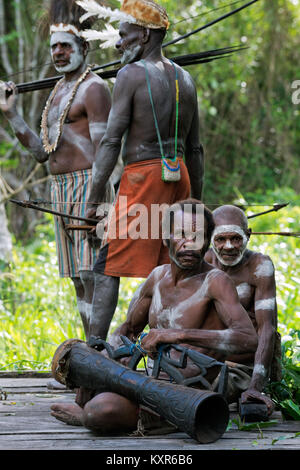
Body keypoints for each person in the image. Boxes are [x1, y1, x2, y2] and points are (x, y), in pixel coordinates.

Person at [50, 199, 258, 433]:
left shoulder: (215, 282)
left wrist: (176, 335)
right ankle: (94, 405)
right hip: (146, 382)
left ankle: (91, 416)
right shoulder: (157, 277)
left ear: (207, 241)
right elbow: (127, 330)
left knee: (101, 411)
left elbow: (247, 338)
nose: (189, 244)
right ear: (165, 237)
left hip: (189, 392)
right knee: (84, 367)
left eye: (197, 236)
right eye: (180, 234)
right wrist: (106, 364)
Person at [81, 0, 204, 341]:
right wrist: (194, 205)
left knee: (106, 267)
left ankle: (93, 352)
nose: (118, 44)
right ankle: (172, 350)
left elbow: (110, 142)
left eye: (124, 35)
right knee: (172, 265)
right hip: (179, 176)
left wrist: (93, 200)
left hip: (143, 179)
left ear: (145, 35)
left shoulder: (130, 74)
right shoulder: (186, 79)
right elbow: (195, 149)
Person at [0, 0, 121, 340]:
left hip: (89, 186)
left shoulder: (94, 87)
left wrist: (98, 201)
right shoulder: (57, 92)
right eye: (54, 47)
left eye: (65, 46)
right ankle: (90, 352)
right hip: (61, 189)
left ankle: (99, 354)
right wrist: (11, 114)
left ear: (84, 47)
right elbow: (41, 153)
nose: (58, 52)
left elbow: (106, 150)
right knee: (77, 278)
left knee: (93, 273)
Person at [204, 204, 279, 415]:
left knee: (201, 397)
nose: (228, 246)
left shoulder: (259, 266)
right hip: (203, 361)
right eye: (220, 239)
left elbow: (267, 329)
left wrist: (256, 385)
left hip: (240, 368)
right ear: (210, 238)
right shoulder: (203, 262)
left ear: (248, 235)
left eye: (236, 239)